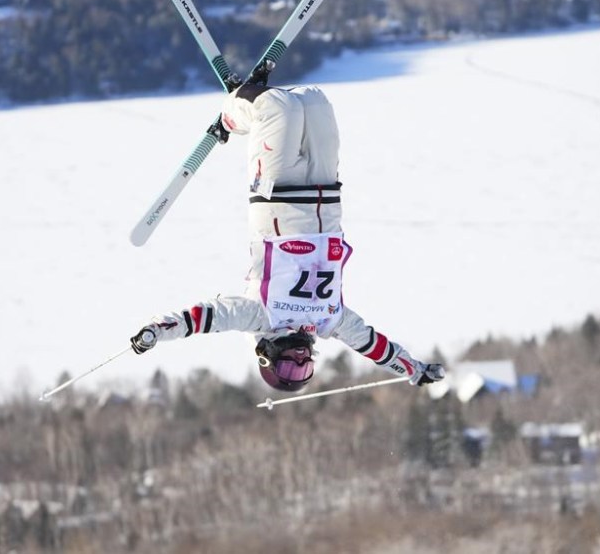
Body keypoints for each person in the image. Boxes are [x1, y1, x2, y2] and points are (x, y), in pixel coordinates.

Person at [130, 81, 446, 393]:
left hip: (277, 191)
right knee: (314, 101)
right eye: (306, 367)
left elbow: (203, 318)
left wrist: (156, 331)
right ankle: (251, 98)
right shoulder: (330, 321)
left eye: (289, 366)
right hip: (325, 193)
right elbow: (375, 347)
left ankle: (231, 115)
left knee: (276, 107)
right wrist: (415, 371)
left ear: (267, 358)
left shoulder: (260, 316)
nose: (300, 358)